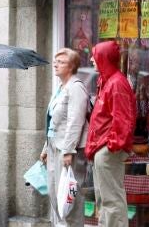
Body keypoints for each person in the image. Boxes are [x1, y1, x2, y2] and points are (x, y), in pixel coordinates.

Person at [85, 41, 136, 227]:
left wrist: (110, 147)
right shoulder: (109, 81)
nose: (91, 59)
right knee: (105, 199)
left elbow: (123, 120)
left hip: (107, 149)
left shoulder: (116, 83)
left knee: (111, 199)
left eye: (95, 55)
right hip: (103, 148)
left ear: (104, 58)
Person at [39, 48, 89, 226]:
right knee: (54, 194)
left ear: (72, 66)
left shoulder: (76, 88)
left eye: (61, 62)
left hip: (68, 150)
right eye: (55, 60)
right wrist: (46, 148)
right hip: (54, 146)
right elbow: (54, 121)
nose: (55, 64)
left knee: (68, 198)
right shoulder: (61, 87)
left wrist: (68, 150)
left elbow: (75, 121)